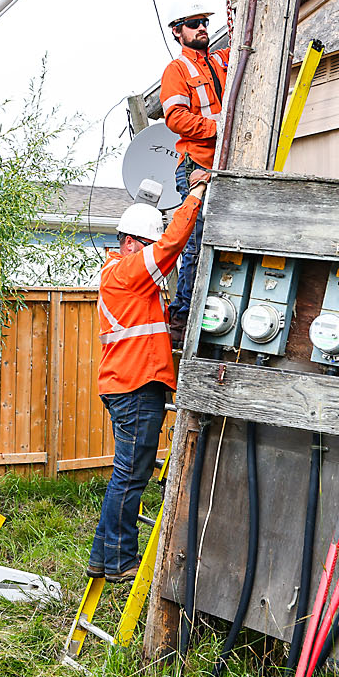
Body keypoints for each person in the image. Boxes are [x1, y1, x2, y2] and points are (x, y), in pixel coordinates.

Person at [90, 171, 209, 582]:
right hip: (137, 385)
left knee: (126, 472)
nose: (151, 254)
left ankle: (102, 557)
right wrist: (194, 196)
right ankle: (121, 561)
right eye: (145, 244)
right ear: (129, 243)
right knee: (131, 474)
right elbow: (171, 245)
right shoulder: (125, 272)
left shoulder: (121, 279)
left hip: (127, 383)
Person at [158, 0, 229, 333]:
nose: (202, 27)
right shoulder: (177, 70)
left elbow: (249, 40)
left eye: (205, 22)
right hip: (196, 166)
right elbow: (175, 117)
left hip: (223, 167)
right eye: (193, 23)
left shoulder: (220, 62)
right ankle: (182, 314)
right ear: (177, 32)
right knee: (197, 242)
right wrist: (217, 129)